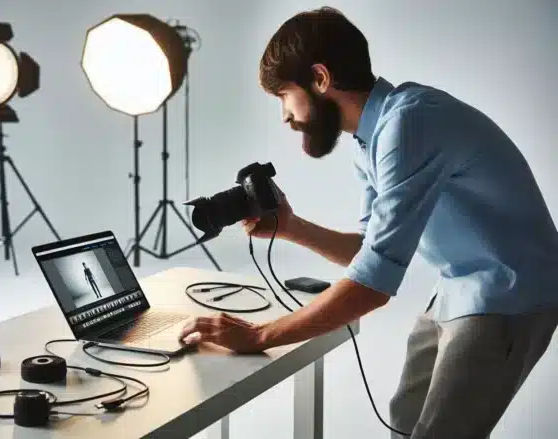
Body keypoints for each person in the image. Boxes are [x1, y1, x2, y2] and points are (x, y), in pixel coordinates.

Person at [178, 6, 558, 438]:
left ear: (320, 79)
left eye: (284, 95)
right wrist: (292, 228)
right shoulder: (370, 140)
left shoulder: (410, 122)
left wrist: (260, 335)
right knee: (403, 424)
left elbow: (373, 284)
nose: (284, 115)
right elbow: (368, 252)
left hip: (507, 293)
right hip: (457, 286)